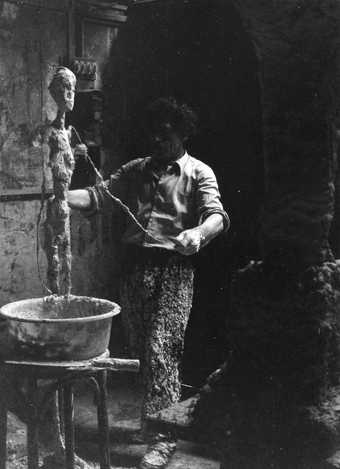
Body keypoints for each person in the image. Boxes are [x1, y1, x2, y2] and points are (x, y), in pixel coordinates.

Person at [68, 97, 230, 469]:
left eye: (166, 134)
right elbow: (97, 197)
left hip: (173, 269)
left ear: (183, 134)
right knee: (145, 353)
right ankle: (154, 421)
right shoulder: (136, 170)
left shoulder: (198, 172)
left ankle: (162, 438)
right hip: (135, 269)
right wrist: (59, 196)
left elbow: (217, 215)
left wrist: (198, 235)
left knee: (162, 352)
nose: (158, 140)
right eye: (153, 134)